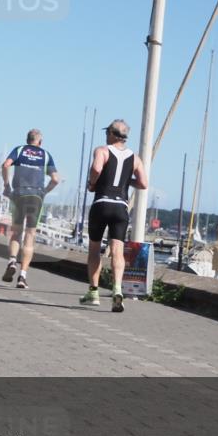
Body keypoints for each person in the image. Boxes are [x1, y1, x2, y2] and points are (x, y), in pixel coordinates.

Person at [80, 120, 147, 312]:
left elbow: (96, 169)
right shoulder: (135, 158)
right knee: (117, 250)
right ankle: (117, 289)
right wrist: (128, 181)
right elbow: (143, 183)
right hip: (121, 207)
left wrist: (93, 184)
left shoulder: (102, 150)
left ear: (111, 133)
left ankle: (93, 292)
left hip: (101, 203)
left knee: (94, 248)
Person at [0, 129, 60, 289]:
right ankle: (22, 276)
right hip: (36, 196)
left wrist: (7, 186)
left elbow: (6, 165)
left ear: (27, 140)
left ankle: (12, 260)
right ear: (40, 142)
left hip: (19, 194)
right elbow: (56, 179)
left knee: (16, 232)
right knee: (30, 235)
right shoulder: (46, 155)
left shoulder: (19, 150)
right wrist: (44, 192)